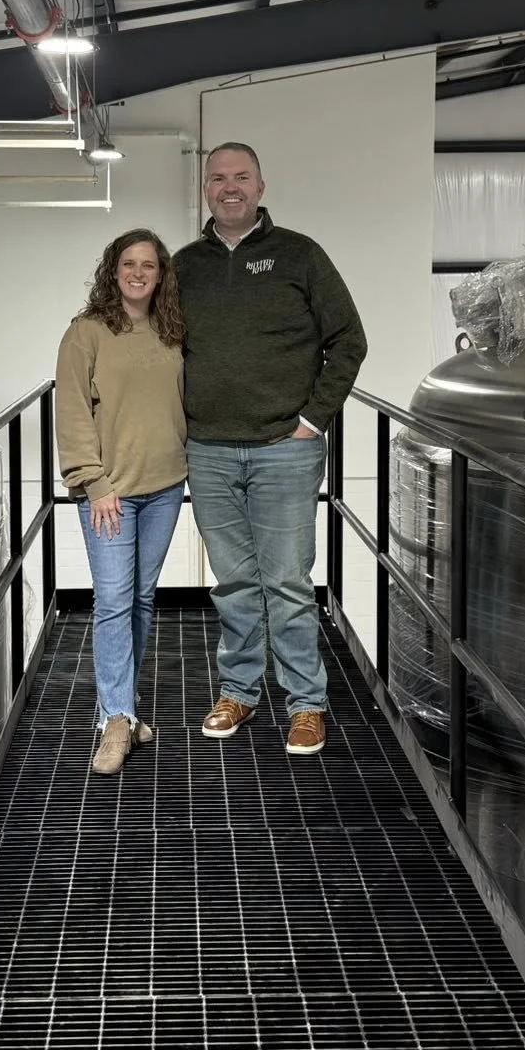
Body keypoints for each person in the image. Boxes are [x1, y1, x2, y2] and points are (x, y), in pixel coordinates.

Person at [173, 142, 367, 757]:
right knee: (232, 581)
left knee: (285, 580)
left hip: (286, 447)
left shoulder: (300, 255)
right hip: (208, 449)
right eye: (218, 178)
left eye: (241, 177)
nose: (229, 187)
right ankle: (239, 691)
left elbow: (349, 340)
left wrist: (313, 419)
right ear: (206, 188)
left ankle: (306, 704)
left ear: (260, 185)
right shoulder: (184, 266)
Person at [55, 229, 189, 775]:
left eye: (149, 265)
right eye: (128, 263)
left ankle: (126, 709)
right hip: (110, 491)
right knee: (112, 600)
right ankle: (114, 720)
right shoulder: (85, 333)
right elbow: (71, 412)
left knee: (140, 598)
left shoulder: (171, 329)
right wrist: (93, 482)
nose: (138, 273)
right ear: (113, 271)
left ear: (161, 275)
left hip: (165, 486)